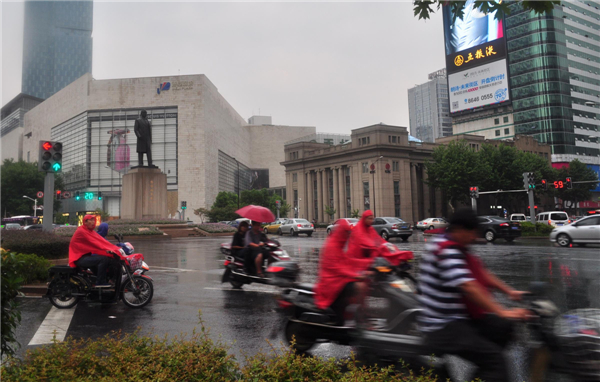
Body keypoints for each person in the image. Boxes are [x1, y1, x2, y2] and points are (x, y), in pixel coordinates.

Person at [418, 207, 528, 382]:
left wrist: (510, 292)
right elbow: (469, 286)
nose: (474, 238)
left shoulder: (455, 245)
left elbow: (481, 273)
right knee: (494, 361)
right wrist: (503, 311)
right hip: (443, 326)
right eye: (472, 233)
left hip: (459, 317)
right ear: (460, 230)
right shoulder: (445, 250)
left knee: (504, 328)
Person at [314, 219, 373, 324]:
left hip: (339, 278)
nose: (348, 235)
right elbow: (338, 268)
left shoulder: (338, 244)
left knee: (366, 284)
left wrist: (368, 263)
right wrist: (358, 275)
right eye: (346, 232)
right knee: (360, 286)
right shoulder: (332, 246)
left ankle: (361, 314)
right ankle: (359, 318)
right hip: (331, 283)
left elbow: (347, 261)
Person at [69, 215, 124, 287]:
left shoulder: (90, 231)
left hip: (85, 256)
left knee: (108, 259)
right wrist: (111, 248)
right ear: (85, 222)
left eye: (93, 220)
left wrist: (112, 248)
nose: (93, 222)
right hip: (79, 258)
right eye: (90, 220)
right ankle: (100, 282)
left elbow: (101, 241)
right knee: (103, 259)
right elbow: (97, 243)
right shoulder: (82, 231)